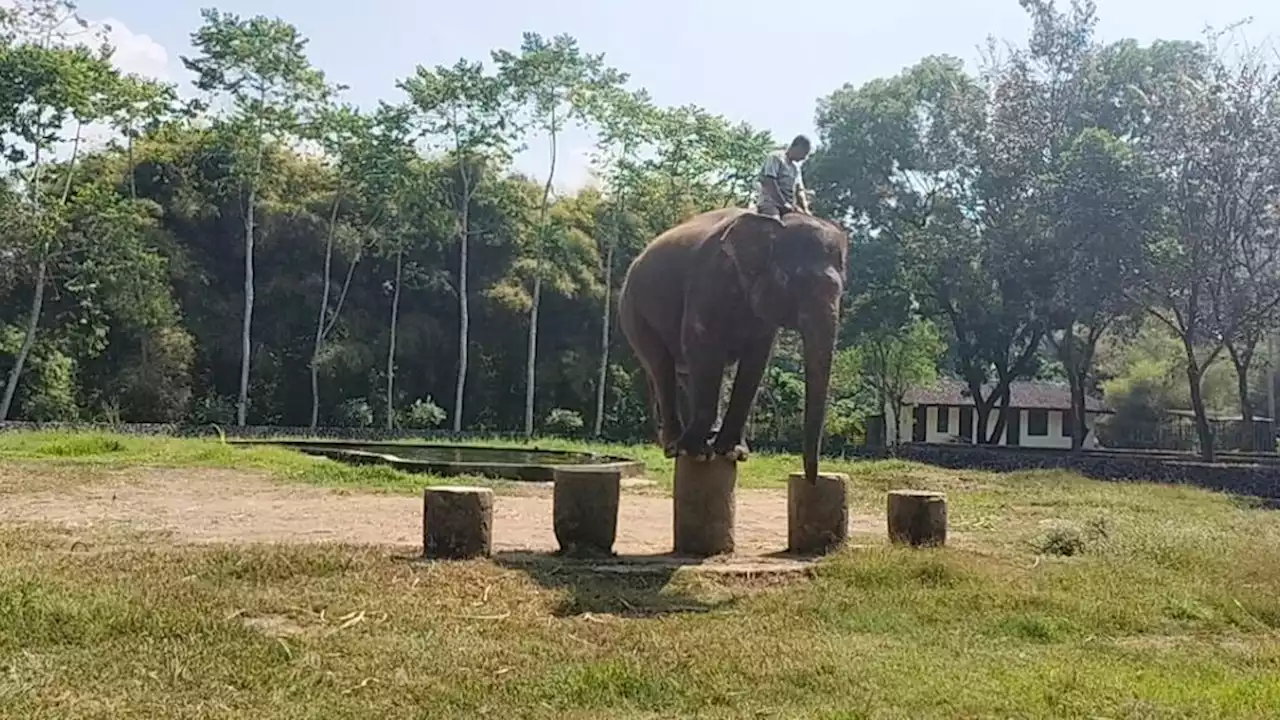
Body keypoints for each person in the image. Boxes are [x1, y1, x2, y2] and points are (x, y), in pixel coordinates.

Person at [754, 134, 811, 217]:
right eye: (804, 153)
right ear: (797, 147)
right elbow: (770, 181)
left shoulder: (796, 168)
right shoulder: (775, 157)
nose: (804, 158)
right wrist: (783, 203)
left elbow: (799, 190)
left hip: (790, 206)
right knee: (775, 223)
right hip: (771, 203)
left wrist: (805, 210)